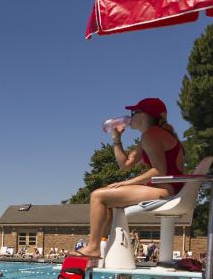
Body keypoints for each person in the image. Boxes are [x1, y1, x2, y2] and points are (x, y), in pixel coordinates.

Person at [72, 98, 186, 261]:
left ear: (146, 116)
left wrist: (127, 182)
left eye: (134, 112)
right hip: (170, 188)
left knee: (98, 196)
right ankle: (100, 245)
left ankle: (93, 247)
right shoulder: (150, 136)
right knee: (108, 199)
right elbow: (125, 164)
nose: (130, 116)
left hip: (166, 189)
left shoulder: (151, 135)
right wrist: (116, 138)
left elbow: (159, 171)